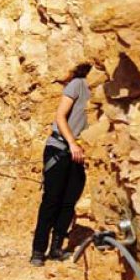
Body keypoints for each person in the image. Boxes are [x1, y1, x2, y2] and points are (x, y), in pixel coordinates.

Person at [31, 62, 93, 267]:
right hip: (59, 148)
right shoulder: (77, 84)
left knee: (69, 200)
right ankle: (38, 250)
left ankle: (56, 248)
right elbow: (60, 117)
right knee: (52, 200)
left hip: (78, 152)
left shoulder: (101, 94)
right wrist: (72, 143)